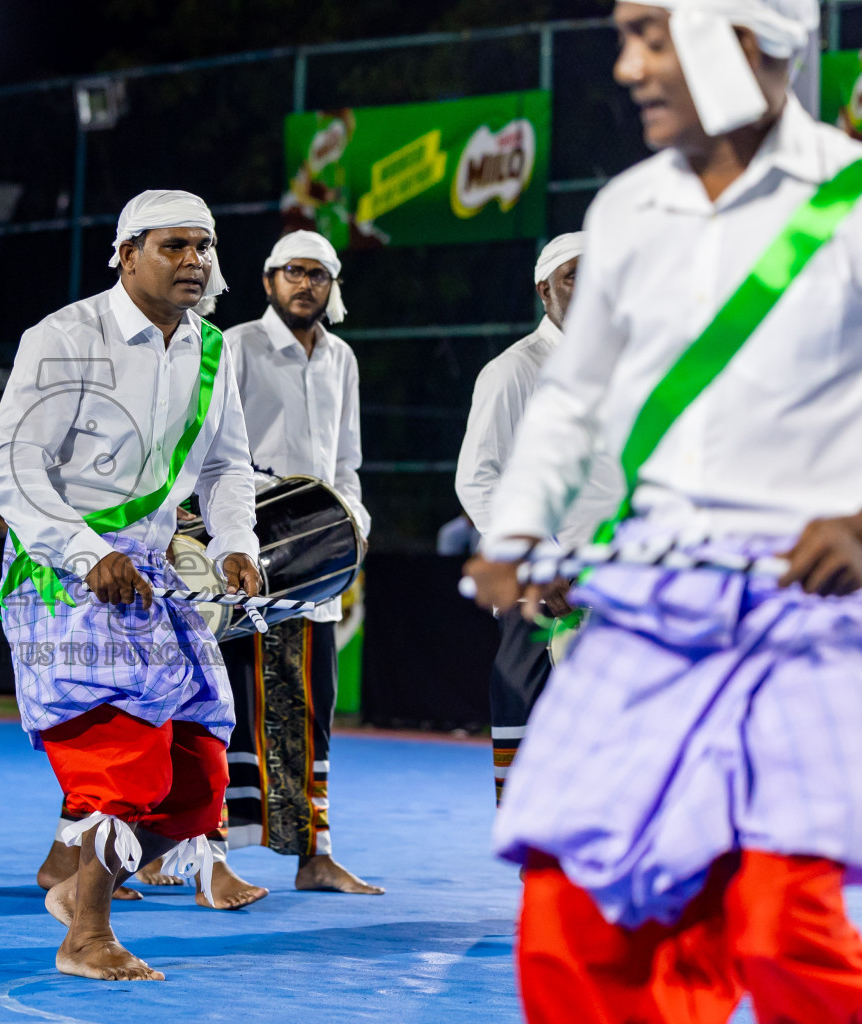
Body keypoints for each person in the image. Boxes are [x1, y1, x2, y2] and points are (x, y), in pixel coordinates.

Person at [464, 2, 862, 1020]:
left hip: (810, 623)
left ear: (751, 44)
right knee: (572, 922)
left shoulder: (852, 206)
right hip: (649, 608)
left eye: (654, 37)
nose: (629, 66)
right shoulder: (628, 211)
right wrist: (515, 534)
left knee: (783, 927)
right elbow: (571, 399)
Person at [0, 189, 262, 981]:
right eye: (174, 246)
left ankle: (75, 887)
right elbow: (8, 467)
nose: (195, 262)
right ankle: (87, 936)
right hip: (63, 580)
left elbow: (226, 463)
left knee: (200, 779)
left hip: (151, 578)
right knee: (126, 763)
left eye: (203, 247)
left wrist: (235, 539)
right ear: (126, 253)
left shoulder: (212, 348)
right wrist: (81, 551)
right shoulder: (67, 337)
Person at [194, 229, 380, 905]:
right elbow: (213, 451)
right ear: (269, 279)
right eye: (294, 272)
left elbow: (348, 461)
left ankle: (316, 856)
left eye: (319, 275)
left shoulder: (342, 359)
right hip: (245, 555)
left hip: (317, 562)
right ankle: (203, 854)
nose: (307, 284)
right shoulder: (235, 344)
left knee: (312, 709)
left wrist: (351, 527)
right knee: (229, 706)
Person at [455, 233, 621, 803]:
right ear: (543, 288)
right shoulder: (513, 370)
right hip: (545, 587)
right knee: (537, 740)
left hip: (614, 580)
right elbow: (477, 479)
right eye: (574, 276)